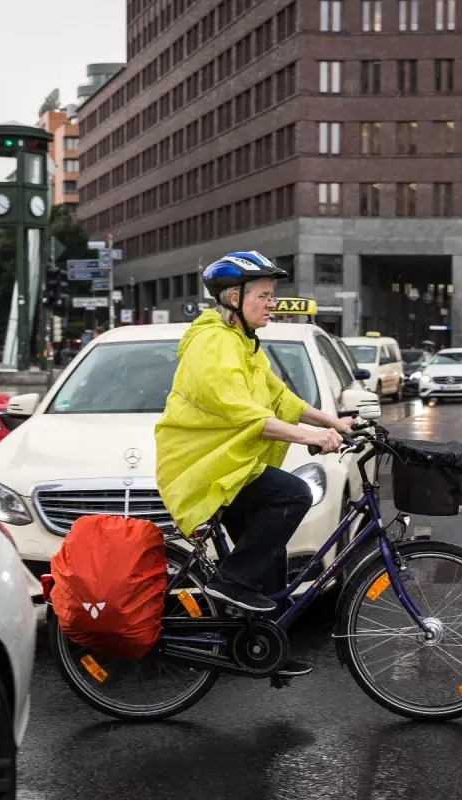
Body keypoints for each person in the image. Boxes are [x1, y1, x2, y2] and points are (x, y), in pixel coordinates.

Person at [155, 250, 354, 677]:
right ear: (232, 298)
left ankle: (261, 648)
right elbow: (244, 412)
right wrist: (312, 437)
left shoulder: (245, 344)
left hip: (228, 464)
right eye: (263, 295)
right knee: (292, 495)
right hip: (202, 468)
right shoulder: (214, 344)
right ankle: (229, 582)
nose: (272, 303)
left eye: (271, 295)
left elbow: (281, 398)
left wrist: (333, 422)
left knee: (272, 558)